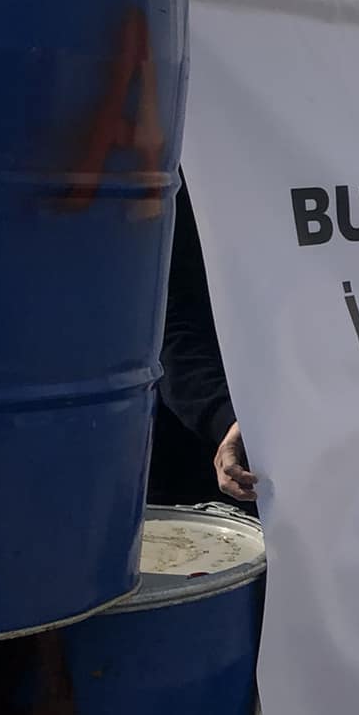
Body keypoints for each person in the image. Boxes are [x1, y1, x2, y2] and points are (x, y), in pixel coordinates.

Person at [147, 183, 257, 507]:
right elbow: (168, 325)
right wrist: (226, 418)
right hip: (200, 466)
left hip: (330, 444)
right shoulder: (181, 166)